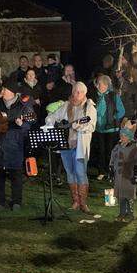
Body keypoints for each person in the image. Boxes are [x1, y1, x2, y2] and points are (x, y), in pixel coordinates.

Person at [0, 85, 33, 212]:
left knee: (16, 174)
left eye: (5, 90)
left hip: (14, 143)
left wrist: (22, 124)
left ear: (12, 92)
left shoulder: (22, 106)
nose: (2, 92)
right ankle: (0, 202)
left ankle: (16, 202)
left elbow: (29, 123)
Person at [45, 83, 96, 213]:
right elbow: (52, 116)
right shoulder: (66, 105)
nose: (77, 94)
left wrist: (78, 126)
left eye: (80, 92)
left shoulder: (89, 107)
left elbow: (91, 125)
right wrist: (50, 123)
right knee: (70, 172)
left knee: (80, 173)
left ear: (85, 93)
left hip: (80, 145)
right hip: (65, 144)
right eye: (75, 91)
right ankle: (75, 201)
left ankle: (83, 203)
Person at [90, 75, 124, 180]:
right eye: (99, 84)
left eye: (102, 84)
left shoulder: (114, 96)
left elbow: (121, 111)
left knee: (110, 151)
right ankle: (101, 171)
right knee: (101, 151)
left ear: (107, 85)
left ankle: (111, 172)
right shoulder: (95, 96)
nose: (100, 86)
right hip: (99, 128)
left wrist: (114, 118)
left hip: (111, 129)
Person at [109, 124, 137, 223]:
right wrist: (111, 169)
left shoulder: (136, 148)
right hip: (119, 175)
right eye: (121, 136)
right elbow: (113, 158)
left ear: (129, 137)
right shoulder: (117, 147)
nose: (121, 138)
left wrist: (136, 174)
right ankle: (122, 212)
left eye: (123, 136)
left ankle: (131, 214)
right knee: (121, 195)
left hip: (129, 175)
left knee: (129, 195)